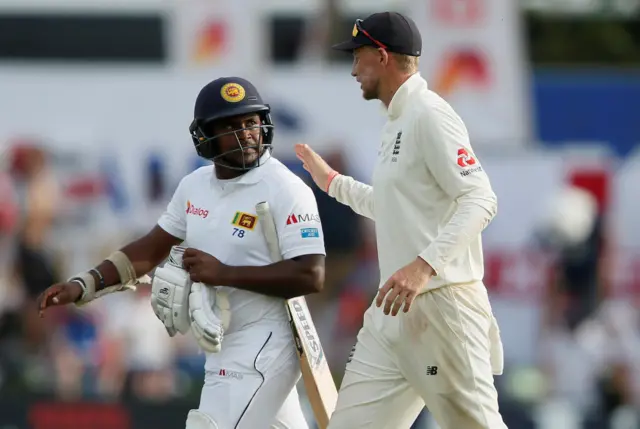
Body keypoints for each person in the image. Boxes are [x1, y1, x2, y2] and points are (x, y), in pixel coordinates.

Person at [37, 77, 327, 429]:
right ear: (205, 135)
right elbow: (150, 248)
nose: (246, 133)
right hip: (221, 343)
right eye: (231, 126)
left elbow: (311, 274)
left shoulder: (285, 188)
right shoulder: (195, 187)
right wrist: (84, 285)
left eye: (251, 122)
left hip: (268, 341)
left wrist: (225, 273)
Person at [295, 12, 507, 429]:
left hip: (443, 307)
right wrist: (333, 183)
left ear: (383, 55)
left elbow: (481, 198)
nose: (354, 70)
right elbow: (395, 207)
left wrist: (423, 266)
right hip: (391, 312)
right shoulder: (396, 121)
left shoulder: (430, 114)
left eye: (358, 57)